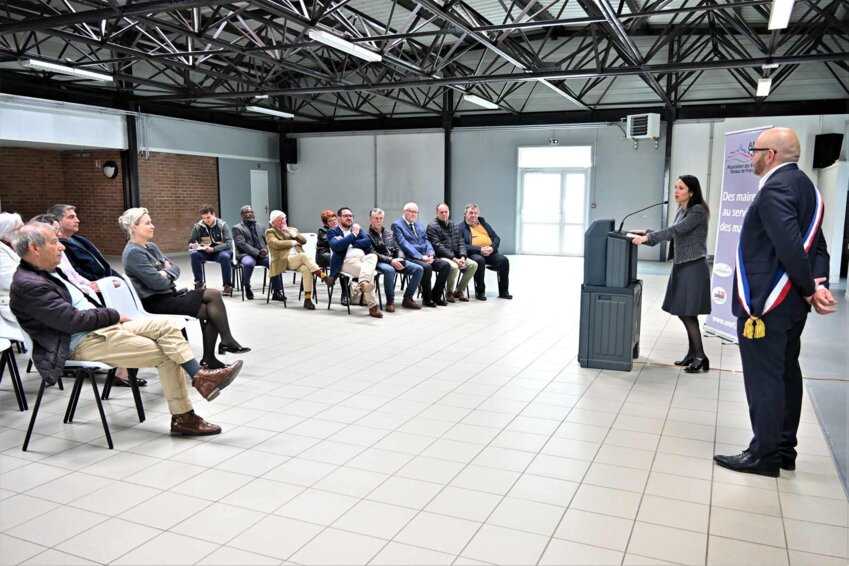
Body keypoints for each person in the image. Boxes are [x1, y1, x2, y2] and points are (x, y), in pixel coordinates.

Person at [9, 223, 242, 436]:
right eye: (53, 242)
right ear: (33, 248)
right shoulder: (30, 286)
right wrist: (111, 314)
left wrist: (109, 318)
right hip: (79, 342)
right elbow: (71, 321)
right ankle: (184, 417)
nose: (61, 246)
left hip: (101, 328)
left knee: (166, 327)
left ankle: (200, 377)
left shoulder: (47, 271)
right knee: (169, 355)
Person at [713, 127, 836, 478]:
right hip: (792, 304)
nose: (750, 157)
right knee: (785, 373)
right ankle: (783, 449)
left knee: (764, 378)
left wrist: (809, 288)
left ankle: (763, 455)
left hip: (766, 303)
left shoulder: (774, 190)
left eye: (754, 151)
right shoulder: (806, 188)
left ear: (770, 155)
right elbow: (818, 245)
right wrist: (817, 281)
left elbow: (789, 247)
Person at [120, 208, 250, 369]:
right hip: (155, 302)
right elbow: (157, 283)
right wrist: (166, 273)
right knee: (212, 306)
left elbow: (175, 268)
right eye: (148, 223)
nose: (152, 226)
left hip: (168, 295)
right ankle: (218, 349)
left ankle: (222, 344)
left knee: (213, 297)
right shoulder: (133, 253)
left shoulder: (151, 247)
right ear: (134, 227)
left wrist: (164, 273)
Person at [31, 214, 144, 388]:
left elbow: (74, 275)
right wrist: (88, 291)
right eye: (54, 231)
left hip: (80, 305)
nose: (59, 236)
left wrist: (89, 285)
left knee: (137, 328)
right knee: (126, 329)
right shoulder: (39, 275)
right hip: (72, 329)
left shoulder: (60, 252)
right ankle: (121, 367)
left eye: (58, 230)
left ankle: (122, 368)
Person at [631, 175, 712, 373]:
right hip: (682, 265)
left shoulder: (697, 211)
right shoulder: (682, 210)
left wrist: (649, 237)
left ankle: (700, 356)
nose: (676, 191)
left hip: (693, 267)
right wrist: (645, 232)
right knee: (683, 311)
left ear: (691, 191)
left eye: (681, 188)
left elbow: (676, 230)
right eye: (675, 187)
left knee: (688, 312)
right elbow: (674, 231)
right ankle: (693, 354)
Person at [266, 210, 331, 309]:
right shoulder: (270, 232)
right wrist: (292, 243)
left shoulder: (292, 229)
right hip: (284, 260)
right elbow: (275, 244)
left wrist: (290, 232)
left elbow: (304, 241)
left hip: (298, 259)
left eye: (284, 218)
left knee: (306, 269)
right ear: (274, 222)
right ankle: (323, 276)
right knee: (304, 256)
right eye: (280, 219)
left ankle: (308, 299)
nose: (284, 221)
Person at [391, 202, 451, 307]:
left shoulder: (419, 225)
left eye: (416, 212)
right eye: (411, 212)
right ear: (404, 212)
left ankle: (436, 296)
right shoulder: (397, 225)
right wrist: (421, 257)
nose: (414, 214)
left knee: (445, 265)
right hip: (411, 257)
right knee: (427, 267)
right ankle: (427, 298)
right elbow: (403, 244)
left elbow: (426, 240)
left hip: (425, 255)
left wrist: (430, 253)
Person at [327, 207, 382, 318]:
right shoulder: (332, 231)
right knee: (368, 272)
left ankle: (362, 281)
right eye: (346, 216)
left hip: (362, 258)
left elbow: (367, 242)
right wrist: (354, 235)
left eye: (351, 216)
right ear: (339, 218)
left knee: (372, 256)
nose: (349, 218)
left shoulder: (356, 228)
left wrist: (346, 242)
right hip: (346, 262)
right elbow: (337, 246)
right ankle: (373, 307)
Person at [367, 208, 424, 312]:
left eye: (381, 218)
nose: (379, 221)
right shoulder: (367, 235)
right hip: (379, 262)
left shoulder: (389, 233)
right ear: (370, 220)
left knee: (419, 269)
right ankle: (390, 301)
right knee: (390, 270)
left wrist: (400, 258)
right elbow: (372, 253)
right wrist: (391, 261)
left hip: (395, 260)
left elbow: (398, 248)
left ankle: (407, 298)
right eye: (376, 218)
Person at [47, 204, 122, 282]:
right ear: (58, 222)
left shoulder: (79, 239)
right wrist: (105, 282)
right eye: (71, 217)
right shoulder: (60, 247)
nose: (77, 220)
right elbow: (76, 272)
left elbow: (102, 263)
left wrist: (120, 279)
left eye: (76, 216)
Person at [426, 203, 478, 303]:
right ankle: (449, 292)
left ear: (449, 212)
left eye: (446, 212)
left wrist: (463, 257)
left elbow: (461, 243)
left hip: (457, 256)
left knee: (473, 265)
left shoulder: (453, 225)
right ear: (437, 213)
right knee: (453, 266)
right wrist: (454, 259)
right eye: (441, 212)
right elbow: (438, 247)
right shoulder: (432, 227)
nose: (444, 214)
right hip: (441, 256)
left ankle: (459, 290)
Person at [459, 204, 512, 300]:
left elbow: (496, 237)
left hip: (490, 252)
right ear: (465, 214)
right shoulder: (460, 227)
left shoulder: (483, 224)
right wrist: (480, 250)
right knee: (480, 261)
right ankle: (480, 292)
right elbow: (462, 245)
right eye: (471, 213)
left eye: (475, 213)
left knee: (503, 260)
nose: (473, 215)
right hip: (474, 254)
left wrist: (492, 248)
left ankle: (504, 291)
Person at [232, 205, 282, 300]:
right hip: (245, 254)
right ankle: (247, 286)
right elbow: (241, 244)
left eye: (251, 212)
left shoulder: (261, 226)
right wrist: (257, 252)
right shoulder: (237, 228)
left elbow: (268, 241)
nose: (250, 214)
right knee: (249, 264)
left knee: (274, 263)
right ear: (242, 215)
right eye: (247, 212)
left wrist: (265, 249)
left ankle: (277, 291)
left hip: (261, 255)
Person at [188, 204, 233, 294]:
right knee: (194, 254)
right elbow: (190, 242)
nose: (206, 220)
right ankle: (199, 282)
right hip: (205, 252)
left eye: (208, 217)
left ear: (213, 214)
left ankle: (227, 285)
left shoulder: (222, 225)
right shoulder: (198, 226)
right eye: (204, 218)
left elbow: (228, 243)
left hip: (220, 252)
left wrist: (214, 249)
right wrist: (193, 246)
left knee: (224, 257)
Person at [0, 212, 24, 323]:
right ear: (6, 232)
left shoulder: (13, 246)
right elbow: (10, 280)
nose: (23, 232)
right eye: (19, 228)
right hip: (8, 305)